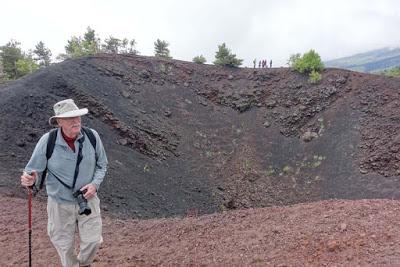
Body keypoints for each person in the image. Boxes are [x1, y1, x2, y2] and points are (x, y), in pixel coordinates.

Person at [20, 99, 108, 267]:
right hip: (59, 204)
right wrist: (29, 180)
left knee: (93, 241)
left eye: (77, 117)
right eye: (69, 118)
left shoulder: (92, 136)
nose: (76, 121)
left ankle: (83, 264)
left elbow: (102, 164)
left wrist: (95, 184)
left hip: (87, 200)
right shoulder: (48, 141)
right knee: (64, 247)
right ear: (59, 121)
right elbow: (32, 171)